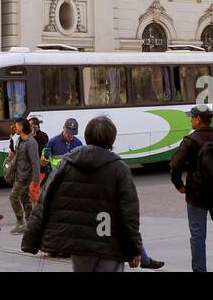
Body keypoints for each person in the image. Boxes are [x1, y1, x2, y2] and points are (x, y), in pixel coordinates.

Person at [22, 115, 142, 272]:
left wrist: (31, 240)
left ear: (86, 136)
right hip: (109, 242)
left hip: (79, 244)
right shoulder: (119, 168)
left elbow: (44, 201)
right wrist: (135, 249)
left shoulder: (67, 163)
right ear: (112, 139)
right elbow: (129, 214)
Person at [170, 105, 213, 272]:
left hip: (196, 196)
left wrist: (179, 185)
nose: (190, 119)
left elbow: (175, 165)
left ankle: (199, 270)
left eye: (192, 117)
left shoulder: (190, 141)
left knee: (197, 238)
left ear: (198, 119)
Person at [7, 117, 41, 234]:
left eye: (16, 126)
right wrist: (12, 156)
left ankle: (21, 222)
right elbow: (18, 156)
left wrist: (36, 179)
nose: (15, 128)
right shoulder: (19, 140)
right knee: (25, 199)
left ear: (22, 127)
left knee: (13, 197)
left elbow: (35, 162)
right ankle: (30, 223)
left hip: (25, 176)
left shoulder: (31, 143)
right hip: (19, 173)